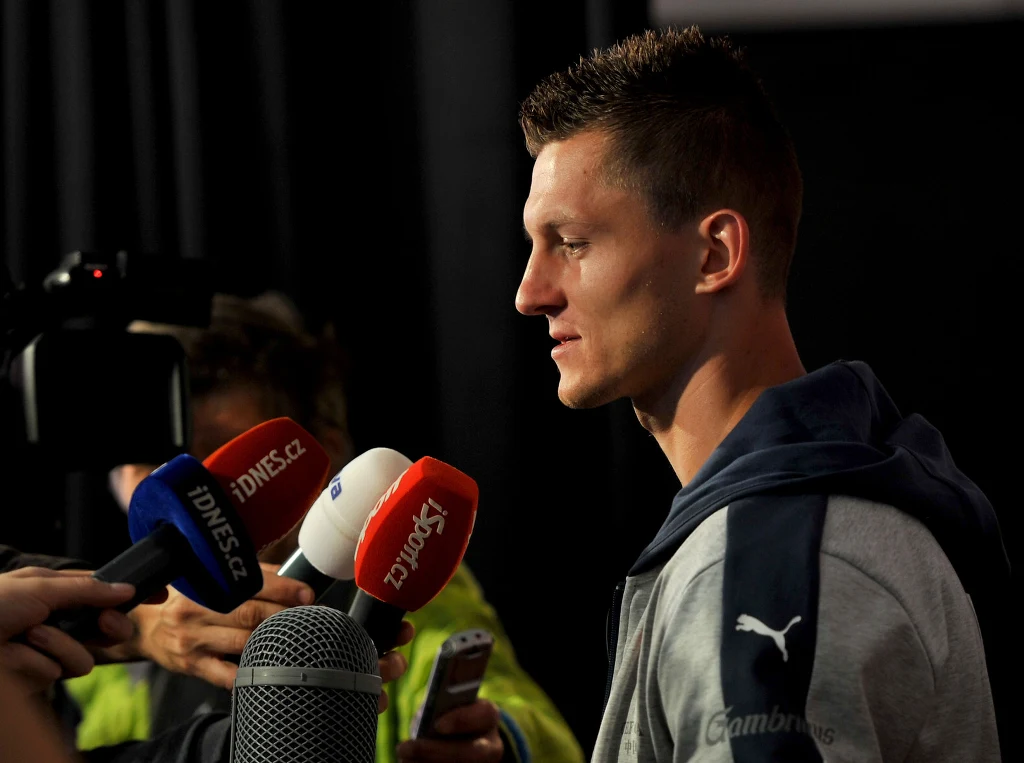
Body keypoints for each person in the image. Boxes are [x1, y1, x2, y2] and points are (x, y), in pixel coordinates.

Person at [514, 24, 1011, 762]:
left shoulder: (766, 567)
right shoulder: (821, 519)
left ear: (714, 253)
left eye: (573, 243)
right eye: (534, 245)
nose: (530, 293)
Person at [67, 291, 585, 763]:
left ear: (323, 454)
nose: (192, 493)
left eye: (221, 453)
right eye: (152, 461)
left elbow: (532, 725)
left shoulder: (403, 575)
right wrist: (127, 632)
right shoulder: (111, 624)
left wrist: (497, 745)